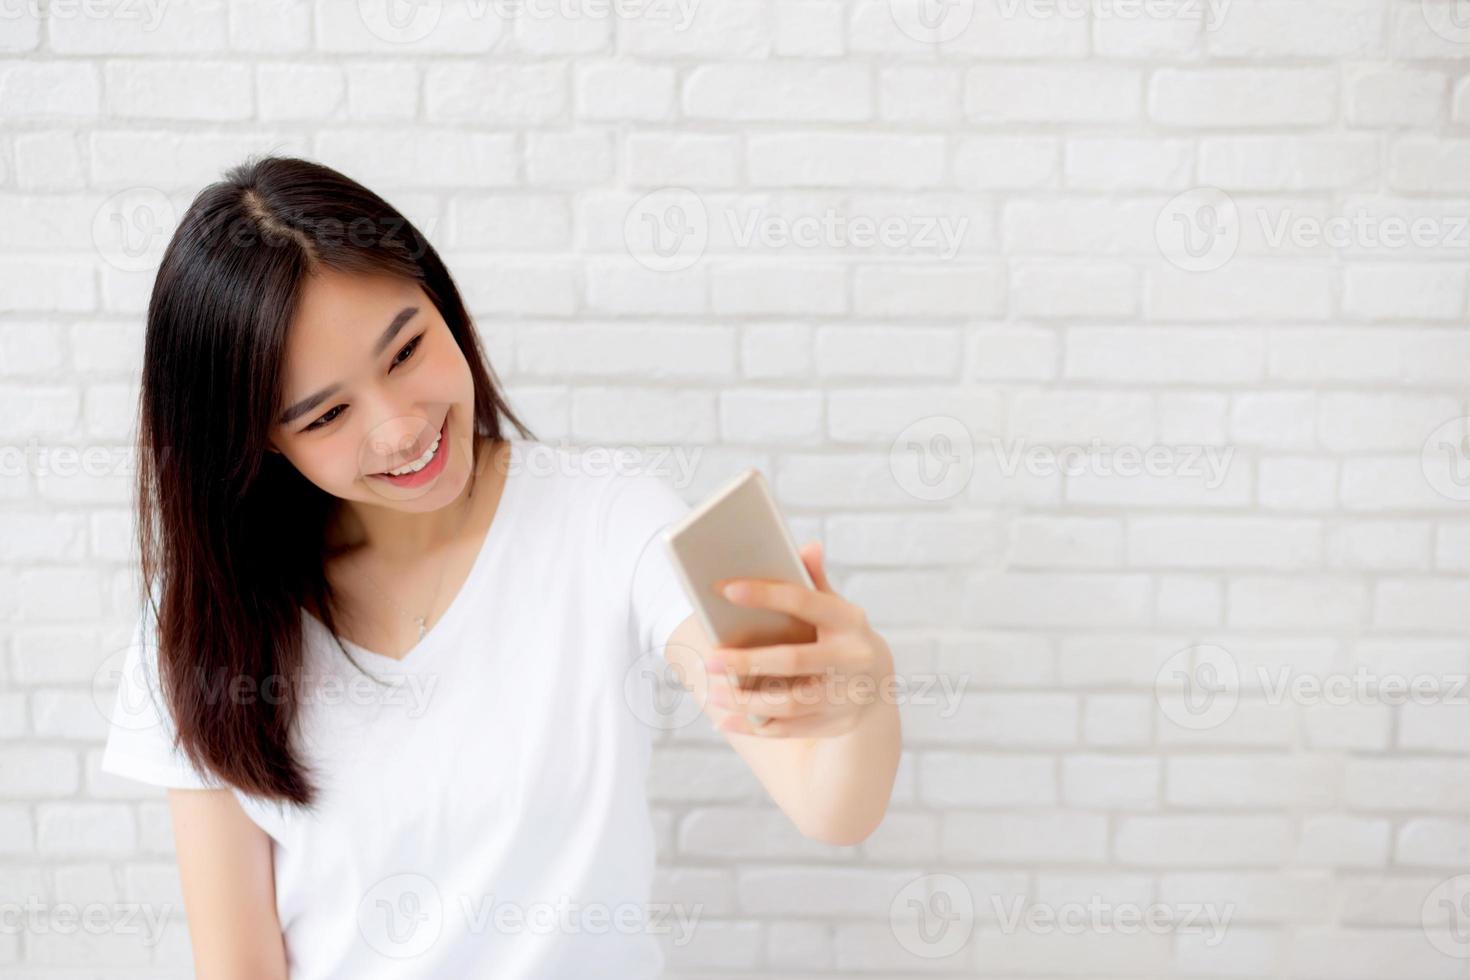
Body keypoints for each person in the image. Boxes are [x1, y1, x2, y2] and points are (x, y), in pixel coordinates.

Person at [99, 154, 901, 979]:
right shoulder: (203, 623)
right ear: (262, 438)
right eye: (329, 413)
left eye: (405, 351)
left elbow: (827, 802)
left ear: (438, 298)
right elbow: (237, 966)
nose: (400, 429)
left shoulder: (607, 519)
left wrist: (856, 701)